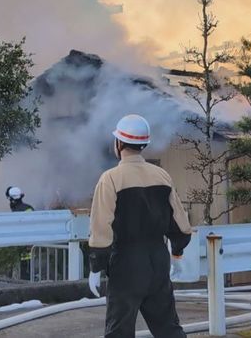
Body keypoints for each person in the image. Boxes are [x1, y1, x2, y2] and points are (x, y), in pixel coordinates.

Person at [88, 114, 191, 338]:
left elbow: (101, 228)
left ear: (119, 143)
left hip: (126, 262)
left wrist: (96, 266)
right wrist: (177, 253)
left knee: (120, 330)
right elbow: (181, 224)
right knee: (168, 328)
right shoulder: (162, 176)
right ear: (143, 144)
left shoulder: (111, 179)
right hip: (158, 259)